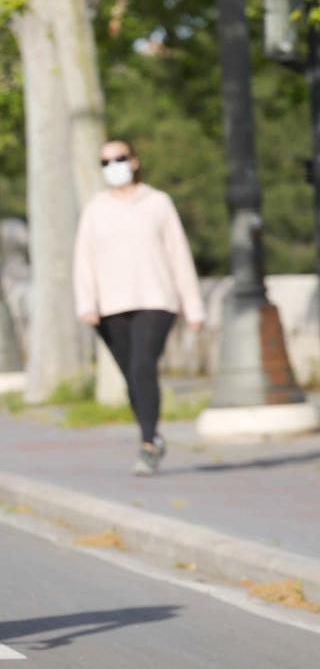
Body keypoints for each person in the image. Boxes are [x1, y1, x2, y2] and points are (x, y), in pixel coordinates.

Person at [74, 140, 205, 476]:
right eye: (105, 162)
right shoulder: (95, 208)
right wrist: (87, 303)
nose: (113, 166)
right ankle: (152, 435)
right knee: (132, 376)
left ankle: (147, 445)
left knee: (143, 365)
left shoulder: (158, 203)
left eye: (119, 159)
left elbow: (178, 254)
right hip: (110, 306)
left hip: (156, 300)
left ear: (134, 161)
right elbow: (84, 260)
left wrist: (193, 306)